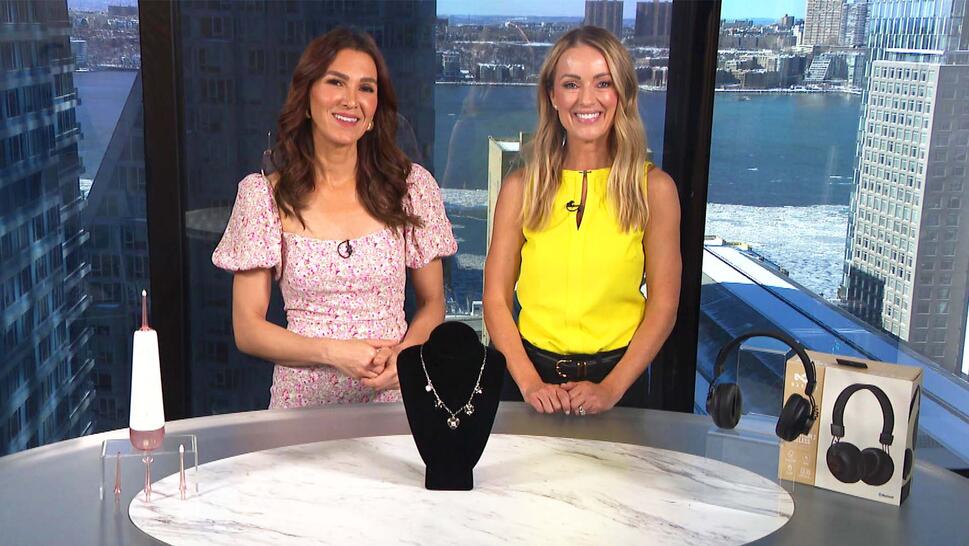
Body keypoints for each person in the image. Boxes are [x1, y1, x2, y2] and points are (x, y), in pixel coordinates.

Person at [212, 28, 457, 408]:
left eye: (366, 88)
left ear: (376, 110)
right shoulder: (263, 197)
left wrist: (406, 355)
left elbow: (433, 303)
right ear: (307, 99)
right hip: (302, 411)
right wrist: (333, 353)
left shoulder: (412, 188)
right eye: (336, 82)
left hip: (394, 401)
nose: (351, 100)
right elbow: (248, 330)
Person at [483, 26, 681, 416]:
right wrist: (530, 383)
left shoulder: (654, 189)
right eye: (571, 84)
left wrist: (609, 389)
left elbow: (664, 307)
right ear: (553, 97)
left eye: (602, 83)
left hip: (620, 383)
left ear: (621, 94)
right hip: (527, 378)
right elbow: (495, 300)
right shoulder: (521, 186)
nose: (586, 99)